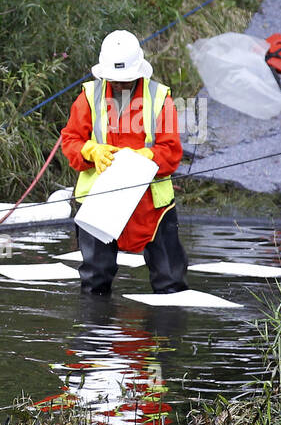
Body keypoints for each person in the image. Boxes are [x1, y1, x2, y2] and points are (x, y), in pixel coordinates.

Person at [60, 30, 190, 297]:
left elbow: (172, 151)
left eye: (126, 81)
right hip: (100, 202)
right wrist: (91, 151)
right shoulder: (89, 96)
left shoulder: (159, 98)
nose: (119, 86)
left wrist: (150, 156)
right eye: (114, 81)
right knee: (95, 280)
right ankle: (95, 335)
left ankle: (166, 337)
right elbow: (71, 140)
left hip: (151, 205)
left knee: (170, 282)